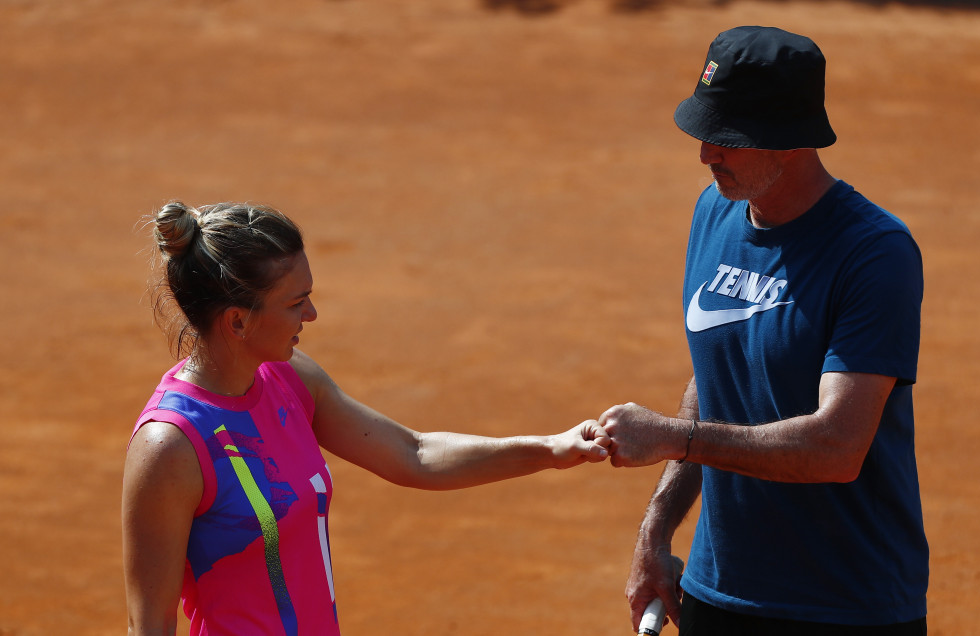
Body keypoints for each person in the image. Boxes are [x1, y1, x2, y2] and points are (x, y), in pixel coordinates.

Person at [122, 201, 612, 636]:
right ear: (237, 321)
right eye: (295, 303)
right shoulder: (172, 447)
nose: (311, 315)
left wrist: (550, 449)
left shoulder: (291, 381)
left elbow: (413, 454)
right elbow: (152, 626)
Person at [597, 26, 929, 635]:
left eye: (727, 138)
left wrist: (674, 437)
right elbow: (715, 376)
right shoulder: (713, 212)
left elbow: (836, 447)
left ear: (790, 140)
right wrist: (657, 528)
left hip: (843, 608)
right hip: (716, 595)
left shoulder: (875, 254)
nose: (705, 154)